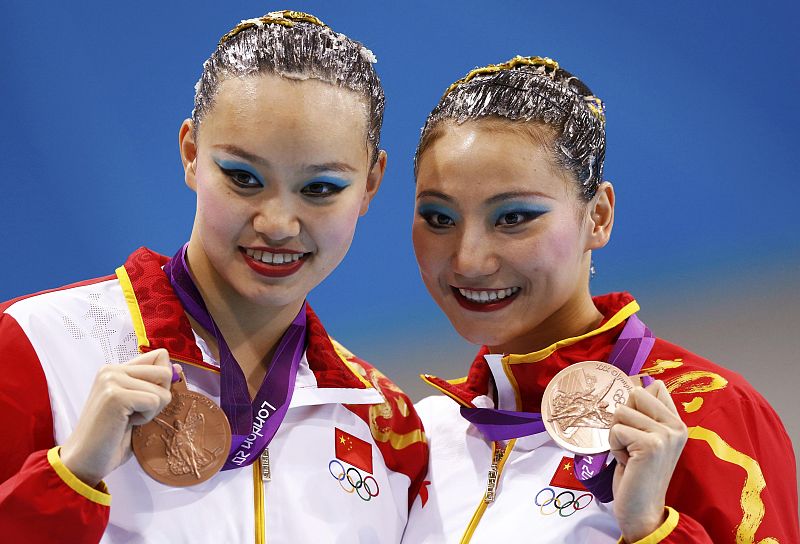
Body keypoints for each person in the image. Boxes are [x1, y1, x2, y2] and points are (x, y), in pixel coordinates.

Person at [0, 10, 427, 543]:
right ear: (190, 154)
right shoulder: (33, 348)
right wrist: (72, 475)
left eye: (320, 188)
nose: (277, 224)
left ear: (371, 185)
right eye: (243, 178)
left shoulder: (388, 428)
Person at [403, 55, 798, 543]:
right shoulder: (417, 434)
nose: (468, 260)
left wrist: (651, 530)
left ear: (599, 217)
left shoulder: (709, 419)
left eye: (513, 217)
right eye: (440, 218)